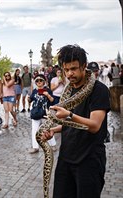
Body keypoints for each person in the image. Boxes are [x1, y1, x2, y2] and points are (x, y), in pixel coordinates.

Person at [42, 44, 110, 198]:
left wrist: (69, 115)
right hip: (66, 157)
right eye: (66, 70)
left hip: (89, 160)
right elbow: (70, 125)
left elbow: (94, 126)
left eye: (73, 69)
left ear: (84, 66)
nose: (69, 74)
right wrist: (53, 130)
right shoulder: (69, 90)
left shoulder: (99, 90)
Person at [28, 74, 56, 154]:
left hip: (45, 113)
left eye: (41, 80)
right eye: (37, 81)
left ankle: (53, 144)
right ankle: (35, 147)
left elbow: (52, 101)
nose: (39, 82)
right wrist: (28, 99)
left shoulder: (48, 90)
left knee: (47, 129)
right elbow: (31, 99)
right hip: (36, 113)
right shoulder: (34, 91)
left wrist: (47, 95)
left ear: (44, 82)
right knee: (34, 130)